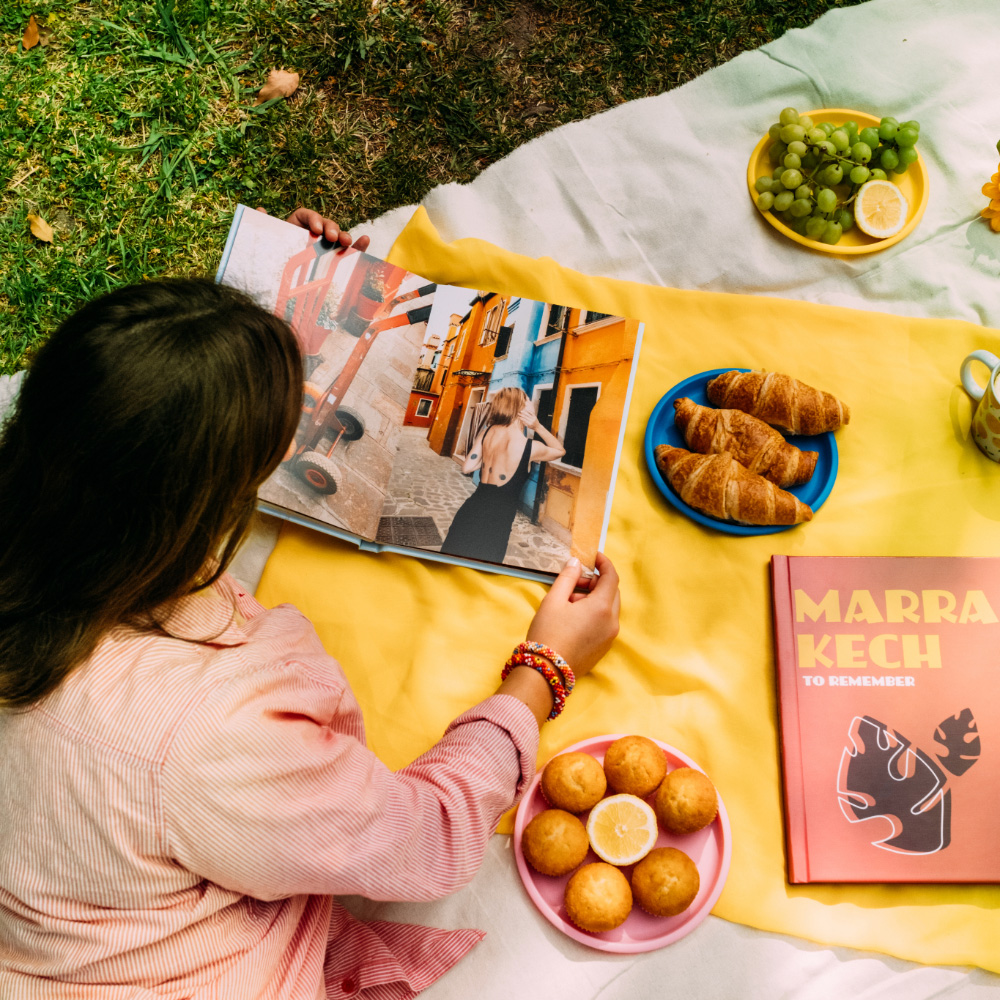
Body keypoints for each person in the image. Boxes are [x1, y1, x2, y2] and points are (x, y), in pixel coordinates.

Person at [0, 210, 621, 1000]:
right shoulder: (212, 734)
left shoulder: (48, 508)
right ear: (204, 504)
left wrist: (302, 295)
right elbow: (425, 840)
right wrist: (545, 669)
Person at [440, 387, 566, 564]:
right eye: (528, 400)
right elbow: (560, 450)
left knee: (447, 564)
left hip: (470, 511)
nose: (531, 404)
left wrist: (490, 454)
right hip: (496, 522)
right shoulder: (529, 447)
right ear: (521, 408)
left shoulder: (486, 432)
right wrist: (537, 426)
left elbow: (467, 467)